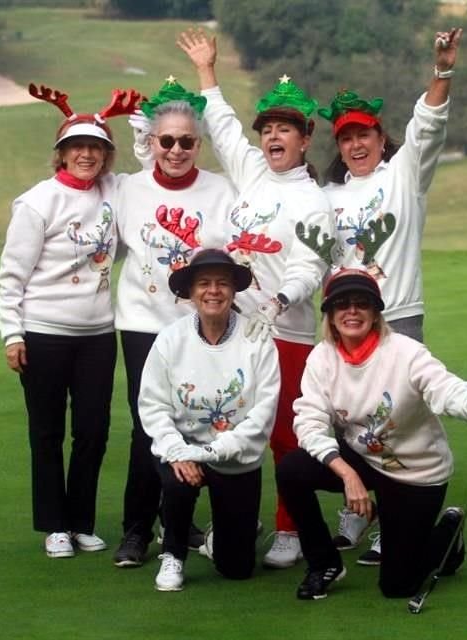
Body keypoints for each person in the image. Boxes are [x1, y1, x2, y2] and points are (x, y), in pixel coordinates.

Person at [179, 28, 336, 570]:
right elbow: (221, 129)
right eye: (267, 128)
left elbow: (310, 264)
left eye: (284, 130)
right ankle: (234, 523)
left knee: (284, 435)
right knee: (230, 429)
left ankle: (292, 530)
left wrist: (280, 300)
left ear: (304, 139)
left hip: (284, 331)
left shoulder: (312, 201)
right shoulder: (252, 175)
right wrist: (207, 72)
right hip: (232, 328)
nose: (273, 137)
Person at [276, 269, 467, 600]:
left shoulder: (406, 352)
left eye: (361, 303)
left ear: (376, 312)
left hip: (415, 470)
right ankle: (324, 563)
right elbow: (308, 422)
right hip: (364, 456)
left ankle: (449, 535)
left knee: (398, 586)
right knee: (292, 470)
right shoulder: (321, 358)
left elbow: (446, 390)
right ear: (330, 313)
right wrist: (347, 474)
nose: (352, 311)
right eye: (341, 304)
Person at [318, 27, 465, 565]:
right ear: (337, 145)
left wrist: (442, 72)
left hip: (397, 315)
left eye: (365, 135)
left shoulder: (404, 176)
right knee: (344, 417)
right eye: (346, 137)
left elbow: (427, 127)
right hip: (341, 321)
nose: (356, 145)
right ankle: (358, 511)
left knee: (396, 420)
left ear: (381, 139)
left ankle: (397, 518)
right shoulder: (326, 195)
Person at [0, 83, 142, 558]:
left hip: (98, 334)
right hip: (44, 332)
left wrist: (137, 118)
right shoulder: (37, 202)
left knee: (94, 431)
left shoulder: (114, 191)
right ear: (61, 155)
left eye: (94, 148)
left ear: (105, 154)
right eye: (76, 147)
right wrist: (12, 333)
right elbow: (12, 275)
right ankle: (54, 525)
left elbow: (149, 161)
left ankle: (81, 521)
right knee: (47, 431)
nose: (85, 155)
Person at [110, 78, 239, 568]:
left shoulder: (221, 189)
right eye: (167, 141)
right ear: (152, 144)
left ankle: (179, 523)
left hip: (199, 326)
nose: (177, 149)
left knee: (199, 422)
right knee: (148, 427)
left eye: (187, 141)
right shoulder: (128, 189)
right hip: (143, 324)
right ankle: (136, 530)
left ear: (198, 144)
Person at [139, 248, 281, 591]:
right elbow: (153, 405)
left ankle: (223, 534)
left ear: (234, 291)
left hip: (234, 457)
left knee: (237, 568)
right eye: (203, 283)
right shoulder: (170, 339)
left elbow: (262, 414)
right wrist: (177, 450)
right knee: (176, 481)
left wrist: (209, 453)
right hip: (184, 452)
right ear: (190, 292)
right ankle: (173, 552)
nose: (213, 291)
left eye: (222, 283)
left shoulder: (257, 339)